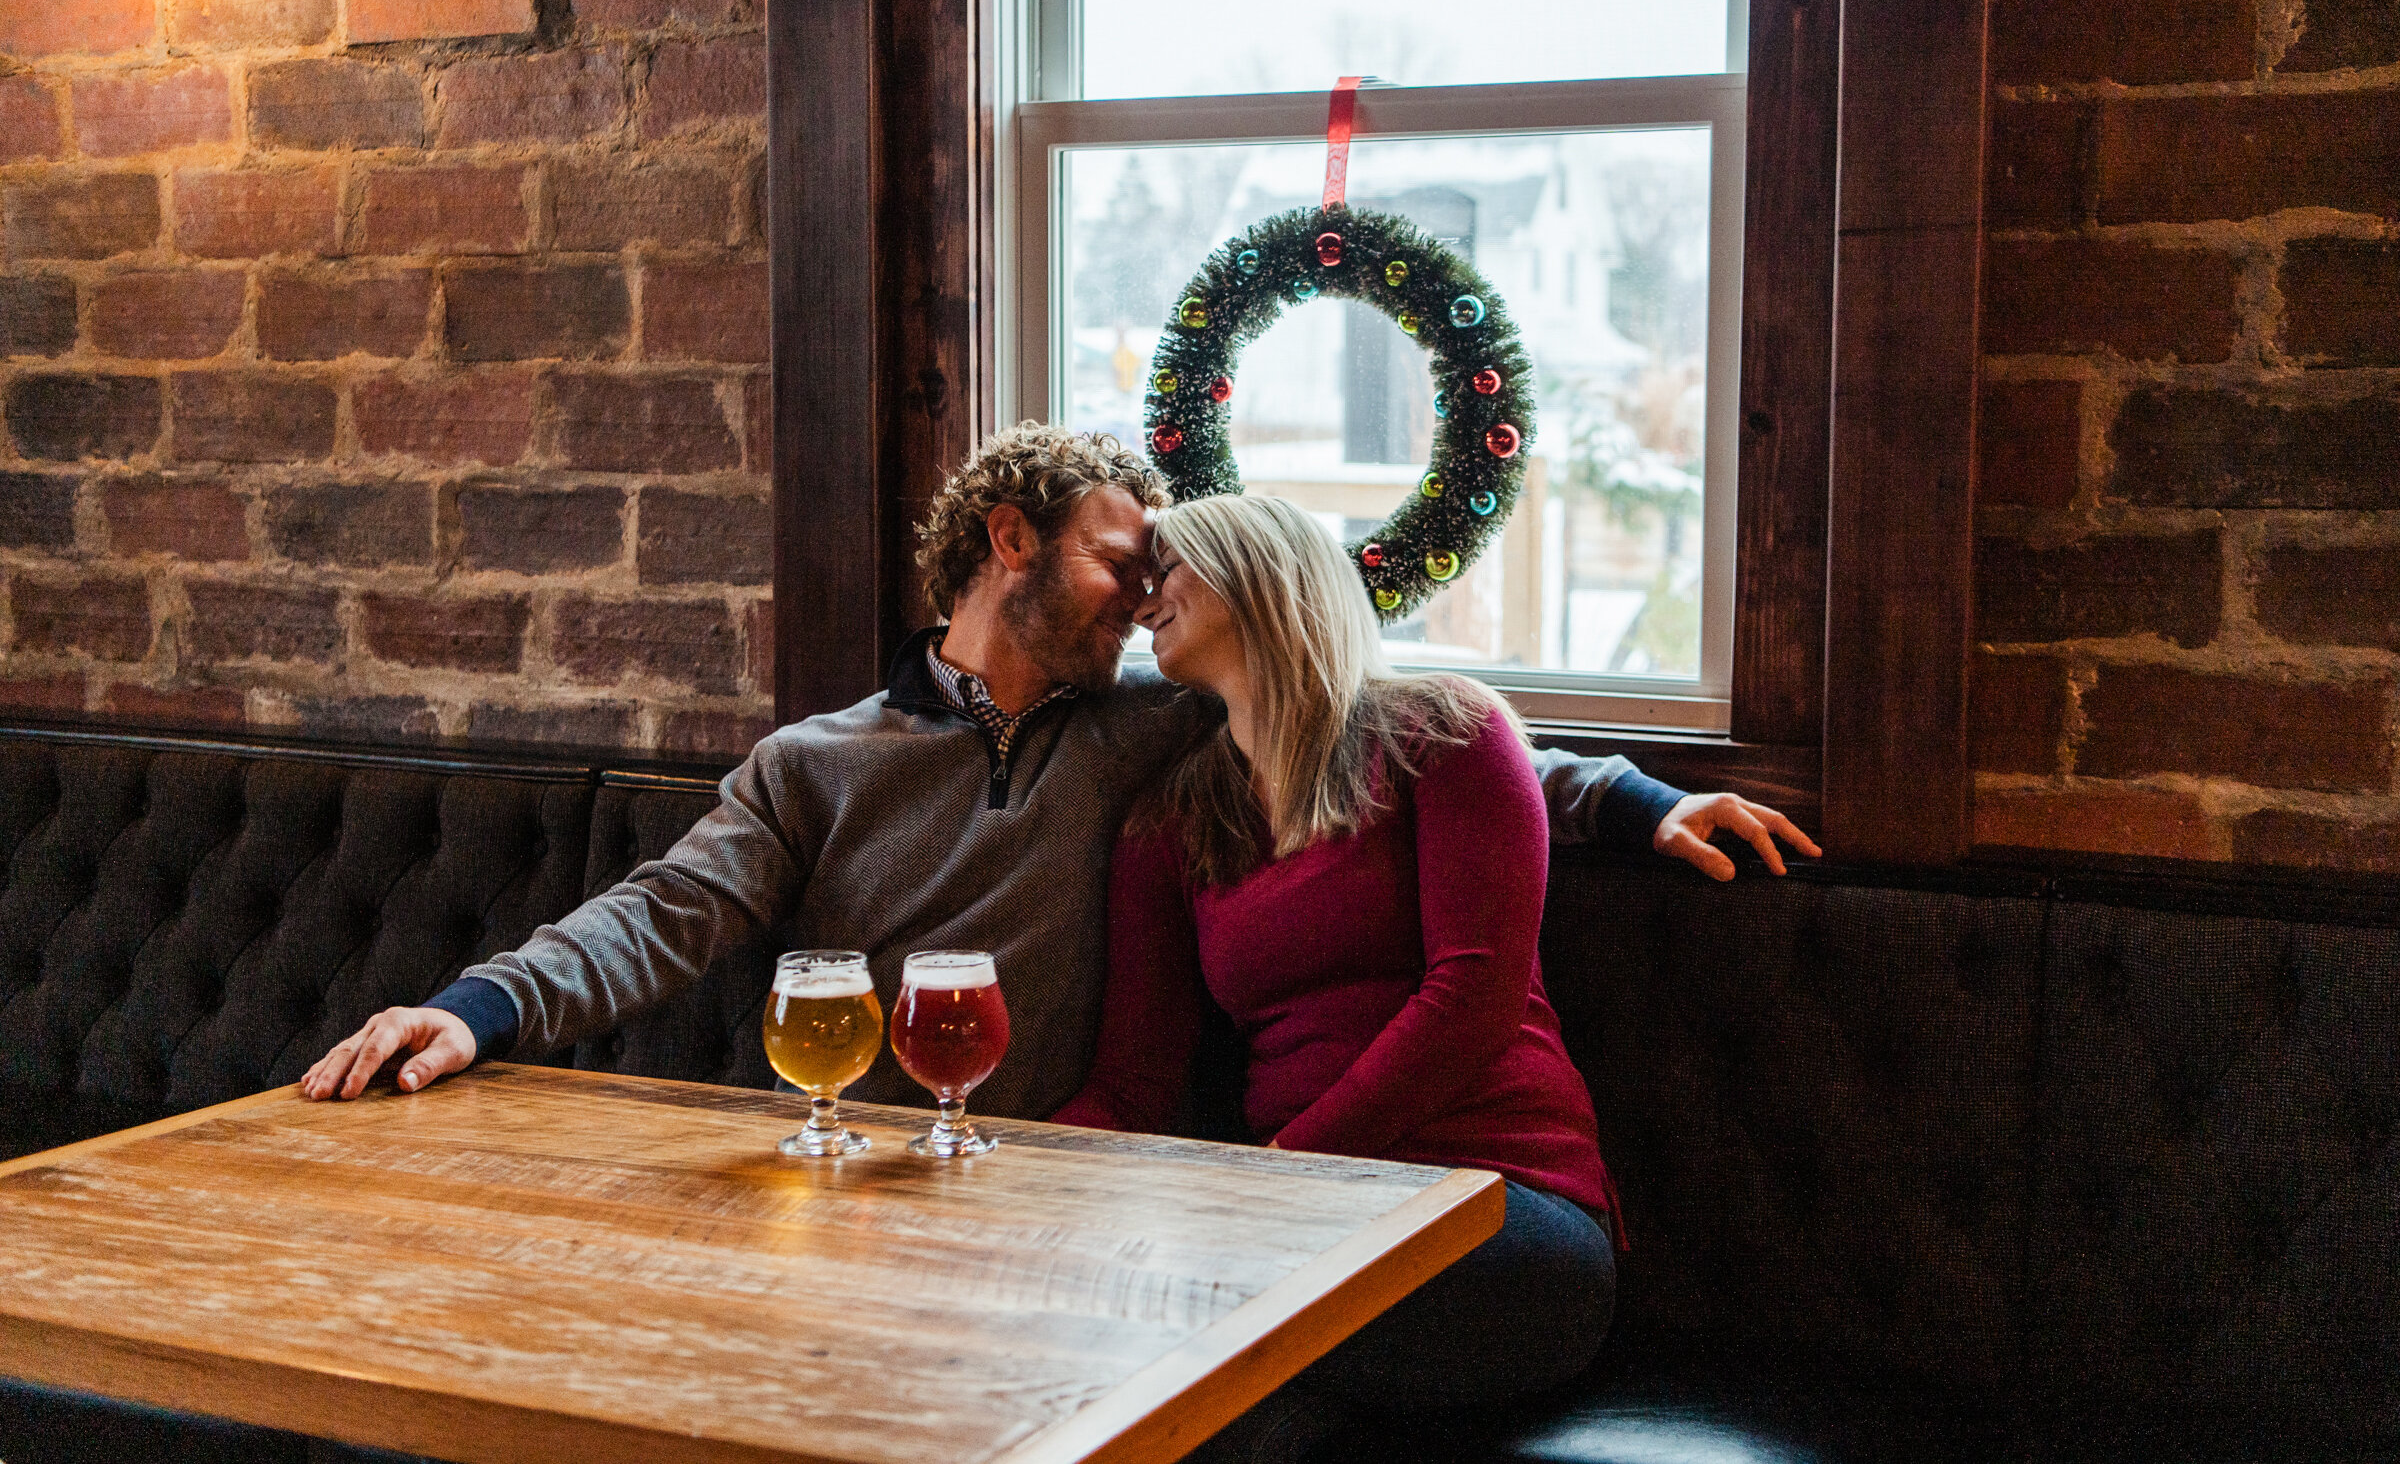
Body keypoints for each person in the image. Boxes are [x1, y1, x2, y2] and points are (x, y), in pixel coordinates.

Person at [303, 425, 1814, 1111]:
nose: (1150, 596)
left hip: (1064, 1180)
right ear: (1009, 544)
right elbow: (661, 912)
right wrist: (472, 1008)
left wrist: (1643, 798)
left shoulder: (1162, 726)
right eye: (1121, 559)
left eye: (1165, 574)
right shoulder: (816, 764)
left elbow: (1403, 733)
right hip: (869, 1165)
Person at [1053, 494, 1814, 1455]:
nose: (1146, 595)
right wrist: (1009, 1183)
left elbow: (1472, 1000)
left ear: (1263, 573)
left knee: (1192, 1342)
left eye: (1171, 567)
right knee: (1251, 1423)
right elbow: (1133, 1082)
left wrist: (1282, 1175)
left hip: (1499, 1204)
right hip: (1291, 1234)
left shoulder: (1442, 731)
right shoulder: (1170, 821)